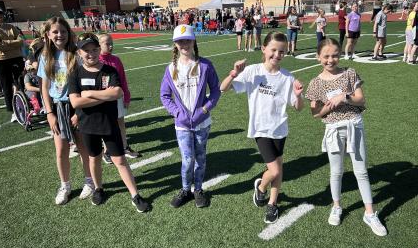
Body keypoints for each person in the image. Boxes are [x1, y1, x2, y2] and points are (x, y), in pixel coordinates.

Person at [305, 38, 387, 236]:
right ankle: (337, 206)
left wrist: (344, 97)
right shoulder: (315, 83)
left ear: (340, 54)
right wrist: (328, 105)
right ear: (318, 57)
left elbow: (361, 100)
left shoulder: (349, 73)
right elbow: (316, 114)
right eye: (326, 56)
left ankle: (369, 213)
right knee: (336, 171)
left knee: (361, 170)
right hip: (333, 128)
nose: (330, 60)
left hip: (353, 124)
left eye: (334, 55)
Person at [220, 31, 304, 223]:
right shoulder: (253, 71)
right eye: (273, 50)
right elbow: (222, 88)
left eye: (281, 52)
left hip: (280, 129)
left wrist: (298, 95)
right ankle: (261, 187)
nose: (277, 55)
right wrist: (234, 73)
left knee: (279, 169)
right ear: (264, 49)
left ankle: (272, 204)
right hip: (261, 129)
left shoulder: (287, 77)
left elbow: (298, 108)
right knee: (273, 171)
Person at [68, 34, 150, 212]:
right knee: (94, 158)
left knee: (120, 159)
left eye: (94, 49)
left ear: (99, 49)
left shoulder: (109, 71)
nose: (91, 53)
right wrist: (103, 96)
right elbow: (75, 102)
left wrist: (89, 94)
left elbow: (116, 93)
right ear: (79, 53)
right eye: (86, 50)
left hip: (109, 123)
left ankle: (135, 195)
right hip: (88, 125)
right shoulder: (75, 74)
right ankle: (99, 188)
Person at [160, 25, 221, 208]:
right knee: (187, 159)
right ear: (175, 45)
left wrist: (204, 110)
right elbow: (164, 96)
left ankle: (199, 189)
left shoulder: (205, 65)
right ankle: (186, 189)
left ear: (194, 41)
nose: (184, 44)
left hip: (203, 123)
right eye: (180, 41)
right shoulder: (171, 69)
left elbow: (216, 91)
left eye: (187, 40)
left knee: (200, 158)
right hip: (182, 125)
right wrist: (177, 113)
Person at [38, 17, 94, 205]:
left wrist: (78, 112)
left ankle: (89, 181)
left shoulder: (76, 54)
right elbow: (45, 88)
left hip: (76, 104)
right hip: (57, 107)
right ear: (48, 34)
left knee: (83, 147)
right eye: (55, 32)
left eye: (63, 31)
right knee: (61, 150)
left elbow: (83, 83)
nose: (59, 35)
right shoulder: (45, 56)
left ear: (68, 33)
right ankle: (65, 185)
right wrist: (49, 113)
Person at [98, 33, 141, 163]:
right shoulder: (97, 60)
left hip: (117, 97)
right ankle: (107, 151)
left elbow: (122, 79)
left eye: (111, 43)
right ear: (99, 44)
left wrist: (126, 96)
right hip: (103, 98)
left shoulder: (116, 59)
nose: (110, 46)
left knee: (120, 122)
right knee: (107, 125)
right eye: (107, 43)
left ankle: (124, 147)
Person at [0, 5, 24, 122]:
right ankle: (13, 111)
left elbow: (21, 40)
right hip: (1, 60)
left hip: (16, 58)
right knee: (6, 86)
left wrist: (6, 42)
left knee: (21, 82)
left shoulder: (11, 26)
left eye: (0, 13)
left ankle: (26, 106)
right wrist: (14, 44)